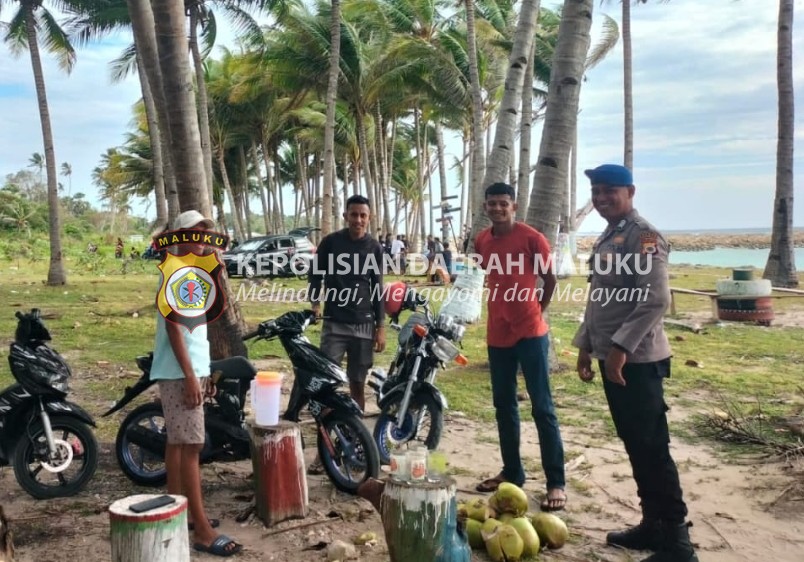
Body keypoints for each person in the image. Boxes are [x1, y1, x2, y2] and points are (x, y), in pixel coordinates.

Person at [572, 164, 698, 562]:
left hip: (637, 363)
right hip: (613, 358)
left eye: (610, 190)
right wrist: (586, 346)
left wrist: (620, 349)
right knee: (636, 445)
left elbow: (655, 299)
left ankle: (678, 543)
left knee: (651, 448)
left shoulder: (643, 235)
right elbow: (600, 299)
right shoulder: (611, 235)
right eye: (596, 191)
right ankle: (652, 525)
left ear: (631, 191)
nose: (601, 198)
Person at [151, 210, 242, 557]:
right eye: (194, 233)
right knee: (191, 446)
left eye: (206, 233)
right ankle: (202, 532)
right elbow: (174, 328)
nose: (202, 239)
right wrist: (191, 376)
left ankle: (178, 515)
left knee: (178, 445)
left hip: (186, 368)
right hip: (179, 371)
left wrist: (202, 373)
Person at [473, 182, 566, 511]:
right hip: (497, 333)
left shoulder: (532, 238)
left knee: (543, 407)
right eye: (492, 203)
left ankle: (556, 481)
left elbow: (550, 280)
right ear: (486, 206)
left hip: (530, 333)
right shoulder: (482, 240)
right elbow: (485, 276)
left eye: (503, 203)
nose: (497, 208)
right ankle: (512, 472)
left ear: (514, 206)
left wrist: (537, 311)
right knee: (504, 406)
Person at [307, 195, 387, 471]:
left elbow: (378, 289)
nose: (358, 220)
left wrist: (380, 327)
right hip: (335, 324)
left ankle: (355, 442)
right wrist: (315, 302)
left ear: (369, 217)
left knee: (357, 383)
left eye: (363, 215)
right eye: (353, 214)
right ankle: (325, 449)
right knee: (327, 385)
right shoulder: (331, 242)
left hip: (364, 325)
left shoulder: (374, 247)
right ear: (346, 215)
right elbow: (315, 274)